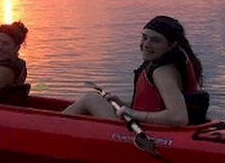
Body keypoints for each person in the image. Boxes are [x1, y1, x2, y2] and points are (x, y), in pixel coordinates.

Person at [63, 15, 204, 126]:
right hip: (147, 126)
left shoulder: (162, 72)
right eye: (144, 37)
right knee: (97, 99)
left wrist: (132, 113)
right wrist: (123, 104)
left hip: (143, 133)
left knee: (92, 99)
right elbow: (153, 107)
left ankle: (51, 127)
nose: (146, 44)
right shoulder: (169, 65)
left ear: (171, 45)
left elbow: (178, 117)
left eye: (155, 40)